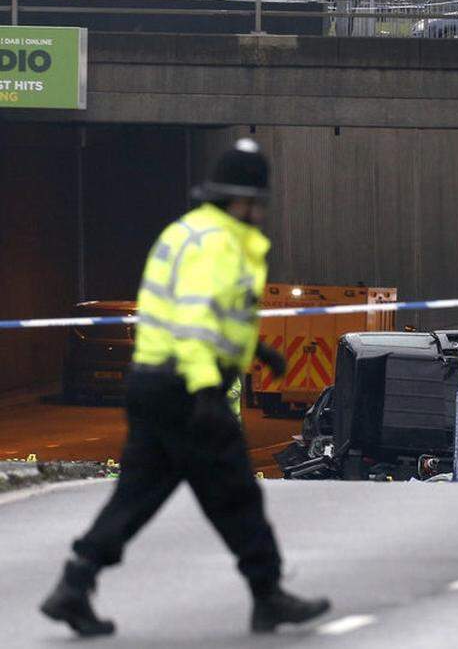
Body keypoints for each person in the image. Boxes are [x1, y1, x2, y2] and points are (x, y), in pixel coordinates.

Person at [39, 139, 331, 637]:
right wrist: (203, 393)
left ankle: (74, 582)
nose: (260, 211)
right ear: (237, 200)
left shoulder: (185, 233)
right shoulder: (220, 244)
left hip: (152, 383)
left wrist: (256, 353)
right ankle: (268, 593)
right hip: (185, 387)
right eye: (256, 201)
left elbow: (196, 313)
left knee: (138, 494)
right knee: (235, 492)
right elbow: (196, 322)